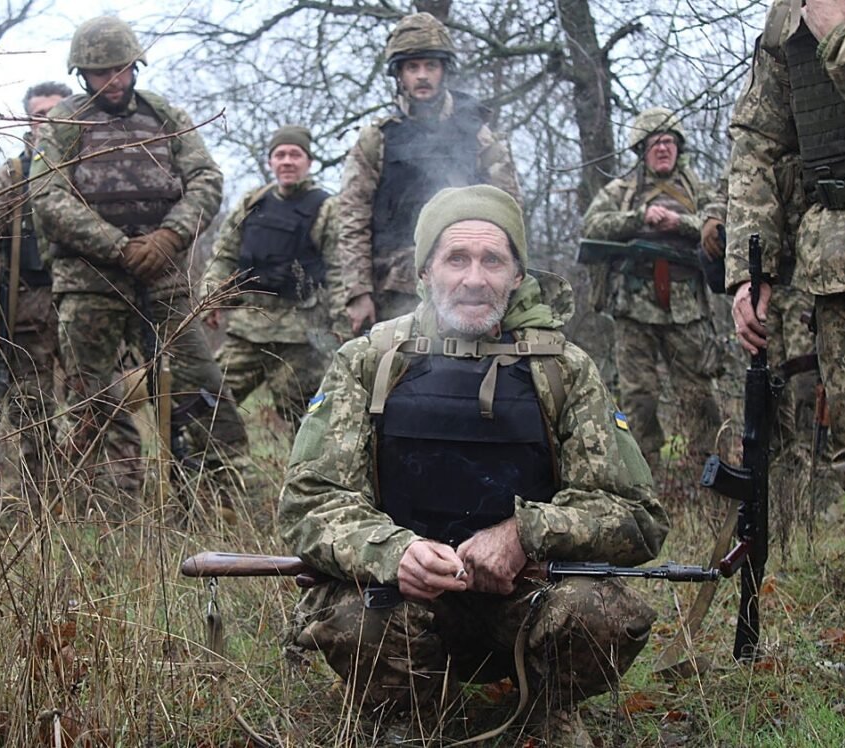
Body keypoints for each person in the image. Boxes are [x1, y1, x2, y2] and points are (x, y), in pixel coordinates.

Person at [279, 185, 667, 745]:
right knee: (352, 615)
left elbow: (635, 514)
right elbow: (311, 500)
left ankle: (548, 709)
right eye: (455, 258)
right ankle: (404, 715)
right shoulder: (368, 362)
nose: (474, 278)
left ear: (516, 275)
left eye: (493, 260)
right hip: (403, 609)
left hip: (525, 602)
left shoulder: (564, 369)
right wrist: (395, 553)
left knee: (599, 609)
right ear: (425, 272)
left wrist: (524, 533)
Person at [30, 16, 247, 507]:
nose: (114, 81)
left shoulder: (165, 115)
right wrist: (118, 246)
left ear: (135, 67)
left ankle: (219, 498)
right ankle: (90, 508)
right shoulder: (65, 122)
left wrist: (168, 238)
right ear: (82, 73)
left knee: (201, 386)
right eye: (100, 71)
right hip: (90, 284)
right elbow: (47, 196)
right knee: (89, 402)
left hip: (164, 278)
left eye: (122, 69)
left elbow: (207, 180)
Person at [727, 0, 845, 495]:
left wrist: (838, 38)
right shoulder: (790, 12)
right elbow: (760, 140)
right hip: (834, 258)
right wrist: (749, 270)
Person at [338, 12, 522, 335]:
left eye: (430, 66)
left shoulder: (479, 134)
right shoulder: (376, 139)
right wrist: (358, 292)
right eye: (412, 67)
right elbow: (352, 218)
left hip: (466, 286)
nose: (422, 76)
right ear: (399, 75)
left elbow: (509, 213)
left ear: (444, 71)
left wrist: (508, 284)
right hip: (393, 290)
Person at [581, 107, 725, 472]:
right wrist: (638, 218)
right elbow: (592, 226)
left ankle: (707, 475)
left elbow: (723, 224)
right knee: (638, 398)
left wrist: (682, 223)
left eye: (669, 142)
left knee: (700, 396)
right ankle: (644, 478)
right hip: (634, 309)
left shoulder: (699, 189)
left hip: (688, 310)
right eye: (655, 142)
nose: (663, 148)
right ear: (641, 149)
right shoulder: (622, 192)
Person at [0, 81, 71, 506]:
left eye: (55, 112)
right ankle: (39, 504)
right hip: (29, 306)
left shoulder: (89, 163)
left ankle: (107, 500)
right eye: (38, 114)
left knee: (106, 403)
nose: (45, 121)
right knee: (31, 408)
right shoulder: (12, 174)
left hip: (88, 302)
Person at [201, 125, 342, 428]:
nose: (287, 161)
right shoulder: (252, 203)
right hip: (248, 330)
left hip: (301, 337)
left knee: (308, 421)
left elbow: (339, 271)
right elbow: (224, 255)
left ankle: (302, 475)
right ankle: (213, 471)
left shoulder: (327, 208)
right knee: (209, 403)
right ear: (270, 162)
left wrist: (342, 325)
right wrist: (211, 297)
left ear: (309, 161)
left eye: (295, 154)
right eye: (280, 155)